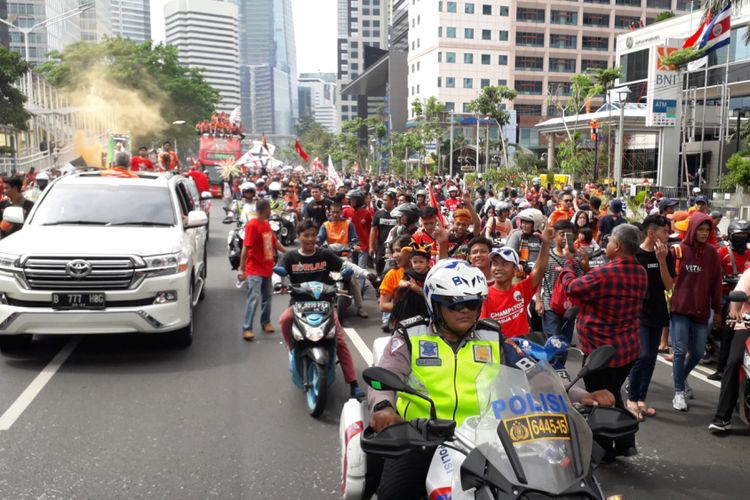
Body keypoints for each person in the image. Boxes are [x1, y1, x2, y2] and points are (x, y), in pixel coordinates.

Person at [368, 258, 616, 499]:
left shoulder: (492, 337)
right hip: (422, 438)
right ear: (435, 303)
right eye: (455, 304)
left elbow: (534, 374)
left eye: (473, 304)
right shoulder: (411, 335)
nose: (465, 310)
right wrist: (384, 408)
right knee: (393, 493)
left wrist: (583, 396)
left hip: (489, 441)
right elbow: (386, 375)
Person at [559, 224, 648, 460]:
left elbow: (572, 287)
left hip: (601, 351)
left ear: (617, 246)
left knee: (598, 399)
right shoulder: (640, 272)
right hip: (627, 349)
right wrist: (585, 267)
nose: (606, 245)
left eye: (609, 242)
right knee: (613, 393)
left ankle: (603, 448)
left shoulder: (606, 274)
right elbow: (596, 285)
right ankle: (626, 441)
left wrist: (569, 264)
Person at [278, 220, 364, 398]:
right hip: (298, 305)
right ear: (298, 237)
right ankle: (292, 349)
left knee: (339, 340)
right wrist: (277, 283)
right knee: (284, 320)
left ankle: (353, 383)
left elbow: (346, 266)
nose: (310, 239)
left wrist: (365, 274)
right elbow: (277, 273)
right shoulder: (290, 257)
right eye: (306, 235)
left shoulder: (325, 255)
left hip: (324, 305)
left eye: (313, 235)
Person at [669, 213, 722, 411]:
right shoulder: (677, 250)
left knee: (698, 353)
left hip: (701, 311)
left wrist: (717, 310)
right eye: (700, 229)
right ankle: (678, 392)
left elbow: (716, 284)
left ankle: (679, 379)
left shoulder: (711, 253)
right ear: (692, 229)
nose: (703, 233)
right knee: (680, 351)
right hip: (680, 309)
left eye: (707, 230)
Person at [627, 215, 675, 419]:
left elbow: (669, 285)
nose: (668, 236)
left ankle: (640, 399)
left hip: (658, 310)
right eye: (664, 232)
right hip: (637, 313)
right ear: (651, 233)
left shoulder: (667, 254)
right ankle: (631, 398)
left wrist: (662, 261)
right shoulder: (635, 254)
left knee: (651, 359)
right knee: (643, 355)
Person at [481, 227, 553, 337]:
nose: (498, 268)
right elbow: (482, 330)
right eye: (495, 263)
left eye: (504, 264)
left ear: (515, 269)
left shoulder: (522, 289)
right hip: (500, 350)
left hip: (523, 348)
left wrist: (545, 244)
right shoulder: (484, 297)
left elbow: (539, 271)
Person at [237, 199, 286, 340]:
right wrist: (242, 269)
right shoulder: (252, 226)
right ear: (266, 210)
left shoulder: (266, 224)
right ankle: (247, 328)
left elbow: (274, 242)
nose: (271, 211)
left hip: (267, 268)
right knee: (254, 298)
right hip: (254, 269)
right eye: (269, 209)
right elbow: (245, 248)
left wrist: (287, 251)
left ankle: (265, 323)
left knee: (268, 298)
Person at [709, 268, 750, 432]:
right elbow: (737, 295)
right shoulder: (749, 274)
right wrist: (734, 312)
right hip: (747, 325)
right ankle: (722, 418)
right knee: (734, 362)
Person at [709, 219, 750, 380]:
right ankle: (721, 367)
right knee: (728, 330)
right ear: (731, 236)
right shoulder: (722, 253)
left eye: (745, 235)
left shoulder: (748, 254)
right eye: (738, 234)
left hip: (746, 300)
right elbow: (713, 275)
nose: (742, 237)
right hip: (727, 296)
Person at [317, 202, 367, 319]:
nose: (335, 214)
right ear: (329, 211)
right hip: (330, 257)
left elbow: (354, 239)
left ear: (341, 212)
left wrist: (354, 245)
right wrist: (317, 244)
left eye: (337, 212)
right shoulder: (325, 225)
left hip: (345, 257)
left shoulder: (348, 224)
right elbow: (320, 238)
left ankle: (360, 307)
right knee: (320, 276)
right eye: (333, 212)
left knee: (353, 280)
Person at [539, 220, 586, 342]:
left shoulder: (576, 258)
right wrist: (538, 301)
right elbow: (538, 277)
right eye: (562, 234)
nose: (565, 238)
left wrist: (583, 264)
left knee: (565, 341)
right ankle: (551, 361)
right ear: (554, 236)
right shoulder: (547, 256)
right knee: (554, 340)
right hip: (550, 304)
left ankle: (560, 362)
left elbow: (582, 280)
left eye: (569, 235)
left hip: (569, 306)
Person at [388, 240, 431, 328]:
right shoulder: (410, 273)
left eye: (421, 262)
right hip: (410, 305)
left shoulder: (431, 275)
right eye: (415, 262)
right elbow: (402, 281)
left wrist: (417, 288)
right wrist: (403, 283)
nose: (418, 265)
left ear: (427, 262)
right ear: (411, 261)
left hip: (425, 305)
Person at [379, 236, 413, 331]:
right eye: (393, 251)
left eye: (398, 250)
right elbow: (383, 305)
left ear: (410, 250)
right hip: (401, 328)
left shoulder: (425, 271)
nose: (394, 255)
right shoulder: (392, 275)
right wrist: (409, 308)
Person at [506, 208, 545, 272]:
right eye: (523, 222)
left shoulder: (542, 236)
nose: (523, 225)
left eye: (527, 223)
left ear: (536, 224)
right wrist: (518, 265)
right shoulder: (516, 235)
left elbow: (550, 253)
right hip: (520, 271)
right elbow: (509, 254)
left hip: (539, 271)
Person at [369, 190, 398, 276]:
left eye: (386, 200)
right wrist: (371, 247)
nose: (383, 202)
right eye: (383, 200)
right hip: (381, 248)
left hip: (395, 248)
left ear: (393, 201)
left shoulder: (398, 215)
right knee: (379, 269)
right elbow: (373, 231)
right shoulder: (378, 214)